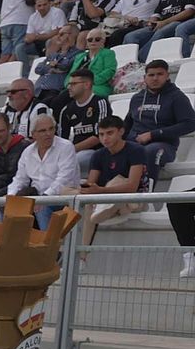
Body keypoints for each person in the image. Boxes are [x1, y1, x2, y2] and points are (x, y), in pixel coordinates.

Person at [69, 115, 148, 247]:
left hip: (133, 200)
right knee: (66, 191)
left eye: (109, 133)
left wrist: (101, 190)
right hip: (105, 196)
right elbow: (91, 183)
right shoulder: (98, 155)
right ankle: (81, 254)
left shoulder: (136, 150)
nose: (105, 138)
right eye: (101, 134)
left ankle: (107, 207)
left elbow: (132, 187)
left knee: (118, 181)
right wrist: (88, 189)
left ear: (121, 131)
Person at [126, 59, 195, 182]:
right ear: (145, 77)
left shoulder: (177, 97)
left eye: (160, 74)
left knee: (150, 152)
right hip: (135, 143)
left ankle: (146, 194)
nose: (155, 78)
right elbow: (127, 125)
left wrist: (153, 134)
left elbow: (190, 124)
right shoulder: (137, 98)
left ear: (167, 76)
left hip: (164, 146)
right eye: (151, 75)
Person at [9, 114, 80, 231]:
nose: (48, 133)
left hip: (63, 196)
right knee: (7, 207)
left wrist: (45, 197)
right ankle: (16, 246)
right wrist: (11, 196)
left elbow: (64, 179)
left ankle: (48, 246)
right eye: (42, 130)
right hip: (38, 196)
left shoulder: (66, 147)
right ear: (33, 134)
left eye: (51, 129)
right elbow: (20, 179)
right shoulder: (27, 152)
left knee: (42, 207)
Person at [123, 0, 195, 62]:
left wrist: (164, 22)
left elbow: (189, 12)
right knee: (131, 36)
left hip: (178, 22)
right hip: (161, 24)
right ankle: (127, 62)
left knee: (160, 33)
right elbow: (156, 14)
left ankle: (139, 61)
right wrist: (152, 22)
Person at [58, 69, 113, 175]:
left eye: (73, 84)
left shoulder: (100, 103)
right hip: (75, 151)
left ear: (87, 84)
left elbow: (99, 136)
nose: (69, 87)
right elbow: (62, 139)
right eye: (69, 84)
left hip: (97, 150)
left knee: (74, 161)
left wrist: (71, 150)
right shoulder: (67, 109)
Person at [70, 28, 117, 99]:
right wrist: (69, 83)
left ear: (103, 41)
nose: (93, 41)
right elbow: (71, 73)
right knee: (57, 99)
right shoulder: (80, 56)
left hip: (98, 86)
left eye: (97, 39)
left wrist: (89, 82)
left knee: (76, 93)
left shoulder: (108, 53)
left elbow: (110, 70)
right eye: (90, 40)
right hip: (76, 85)